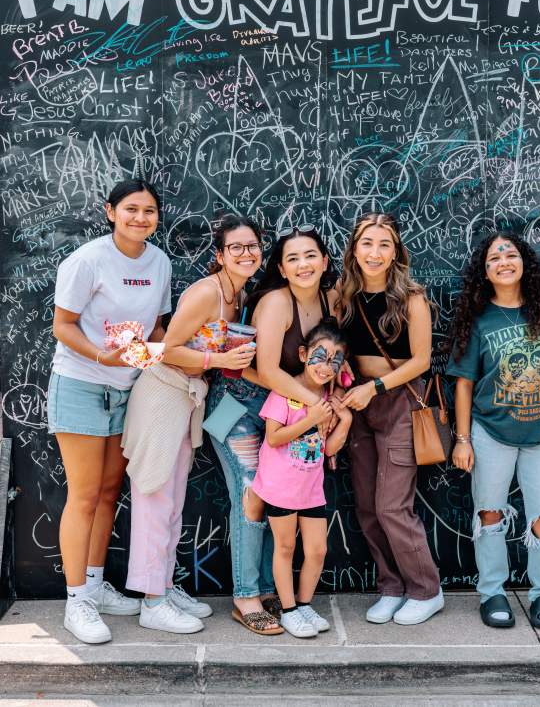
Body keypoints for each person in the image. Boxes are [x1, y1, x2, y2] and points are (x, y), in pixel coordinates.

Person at [121, 214, 260, 634]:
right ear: (219, 255)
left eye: (252, 245)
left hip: (189, 398)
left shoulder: (240, 294)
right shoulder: (207, 292)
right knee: (154, 494)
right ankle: (151, 601)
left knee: (173, 498)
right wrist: (219, 361)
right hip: (163, 393)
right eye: (235, 247)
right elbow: (164, 350)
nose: (246, 253)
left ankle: (163, 584)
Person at [48, 179, 172, 644]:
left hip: (129, 387)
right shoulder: (88, 260)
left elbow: (157, 325)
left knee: (107, 492)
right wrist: (102, 356)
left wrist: (154, 355)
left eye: (149, 211)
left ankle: (97, 588)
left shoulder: (160, 262)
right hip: (81, 384)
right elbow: (63, 325)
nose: (141, 218)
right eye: (131, 210)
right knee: (82, 495)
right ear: (110, 212)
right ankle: (76, 601)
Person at [205, 225, 340, 635]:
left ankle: (268, 591)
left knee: (277, 498)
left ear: (324, 261)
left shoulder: (327, 300)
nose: (303, 265)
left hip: (282, 412)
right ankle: (246, 598)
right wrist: (314, 405)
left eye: (310, 255)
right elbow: (265, 369)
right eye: (293, 258)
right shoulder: (278, 302)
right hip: (236, 407)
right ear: (281, 267)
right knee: (252, 493)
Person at [447, 232, 540, 630]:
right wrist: (463, 438)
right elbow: (464, 383)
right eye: (493, 257)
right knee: (489, 514)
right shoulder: (479, 319)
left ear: (524, 263)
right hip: (490, 432)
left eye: (510, 253)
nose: (503, 261)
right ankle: (493, 593)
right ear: (484, 272)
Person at [339, 212, 443, 626]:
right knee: (366, 505)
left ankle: (425, 589)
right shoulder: (342, 296)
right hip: (356, 404)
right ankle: (391, 586)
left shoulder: (412, 298)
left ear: (396, 250)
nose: (375, 253)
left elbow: (420, 361)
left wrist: (375, 388)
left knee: (392, 506)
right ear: (354, 249)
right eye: (367, 243)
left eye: (384, 244)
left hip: (399, 402)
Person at [251, 321, 352, 638]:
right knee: (285, 547)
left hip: (311, 490)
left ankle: (305, 604)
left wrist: (344, 420)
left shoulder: (327, 399)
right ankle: (289, 610)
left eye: (334, 361)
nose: (325, 367)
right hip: (281, 488)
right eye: (320, 357)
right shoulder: (285, 392)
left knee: (317, 550)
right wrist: (310, 418)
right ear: (303, 353)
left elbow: (328, 448)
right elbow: (274, 438)